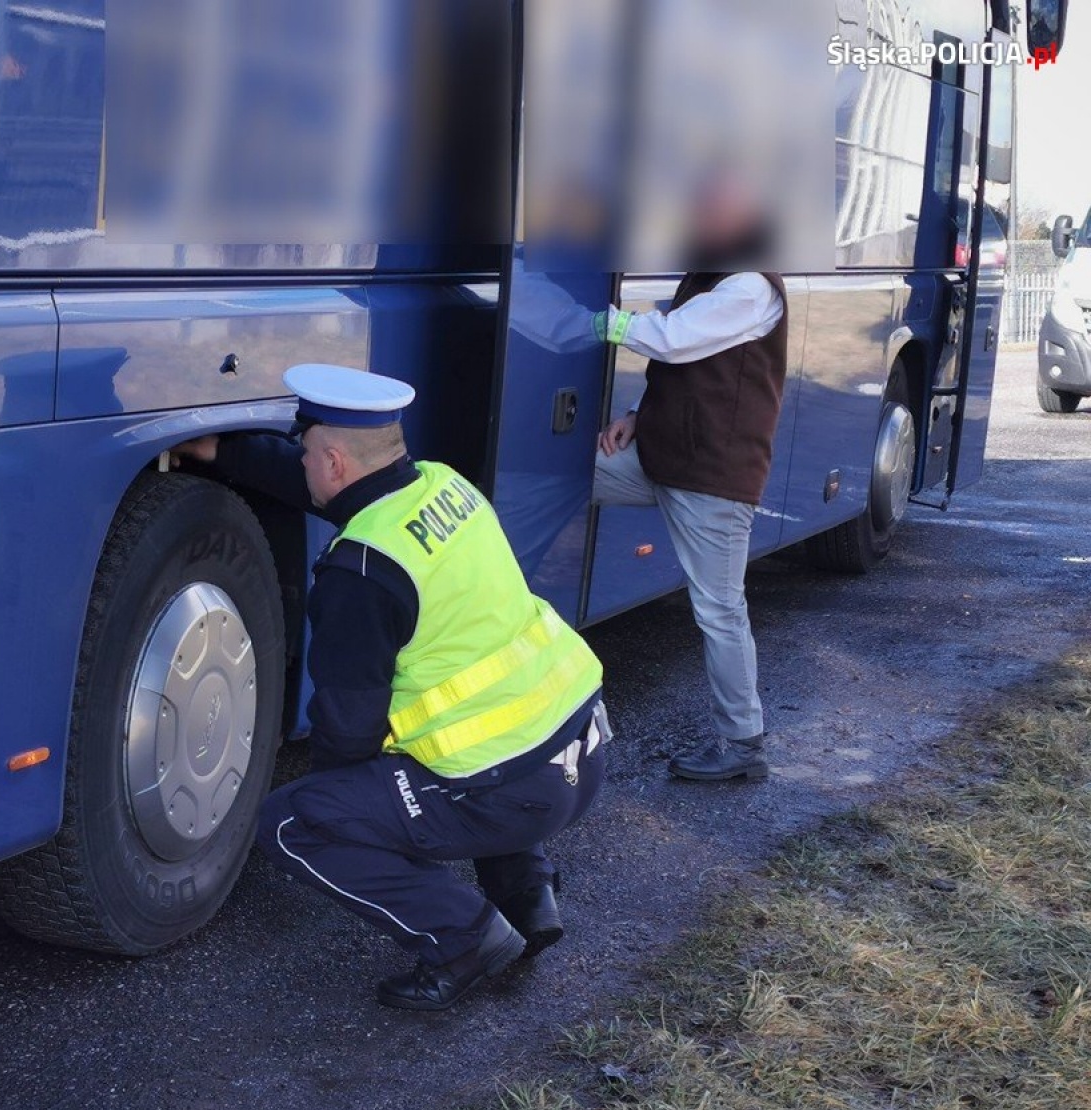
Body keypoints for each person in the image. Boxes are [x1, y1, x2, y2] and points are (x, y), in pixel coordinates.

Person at [175, 364, 610, 1012]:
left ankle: (464, 938)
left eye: (305, 452)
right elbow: (336, 491)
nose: (299, 463)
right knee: (475, 750)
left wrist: (346, 803)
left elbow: (347, 732)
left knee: (294, 823)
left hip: (518, 792)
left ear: (329, 459)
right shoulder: (442, 485)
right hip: (583, 744)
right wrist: (229, 455)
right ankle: (528, 896)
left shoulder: (362, 573)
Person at [591, 179, 788, 782]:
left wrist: (597, 321)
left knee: (719, 610)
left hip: (711, 479)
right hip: (662, 457)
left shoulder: (750, 286)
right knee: (557, 474)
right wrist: (633, 417)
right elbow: (684, 375)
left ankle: (743, 743)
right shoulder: (709, 277)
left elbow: (674, 341)